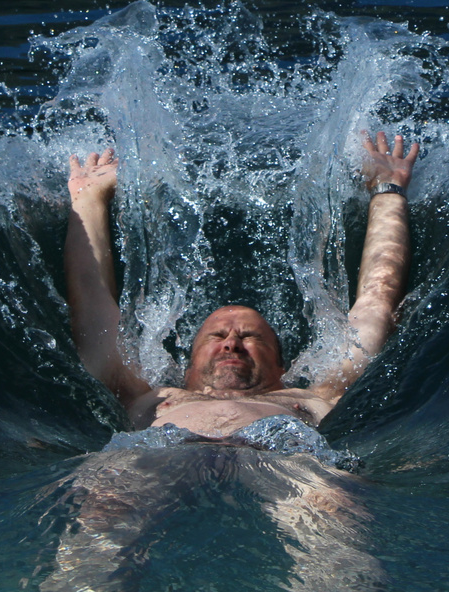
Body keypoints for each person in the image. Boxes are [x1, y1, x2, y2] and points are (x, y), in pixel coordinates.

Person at [41, 131, 419, 591]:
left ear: (281, 367)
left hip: (286, 458)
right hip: (157, 454)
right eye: (217, 336)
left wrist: (388, 191)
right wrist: (88, 198)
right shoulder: (148, 394)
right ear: (187, 365)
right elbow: (92, 304)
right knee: (103, 509)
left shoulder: (314, 393)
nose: (232, 344)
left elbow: (376, 304)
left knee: (332, 513)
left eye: (250, 337)